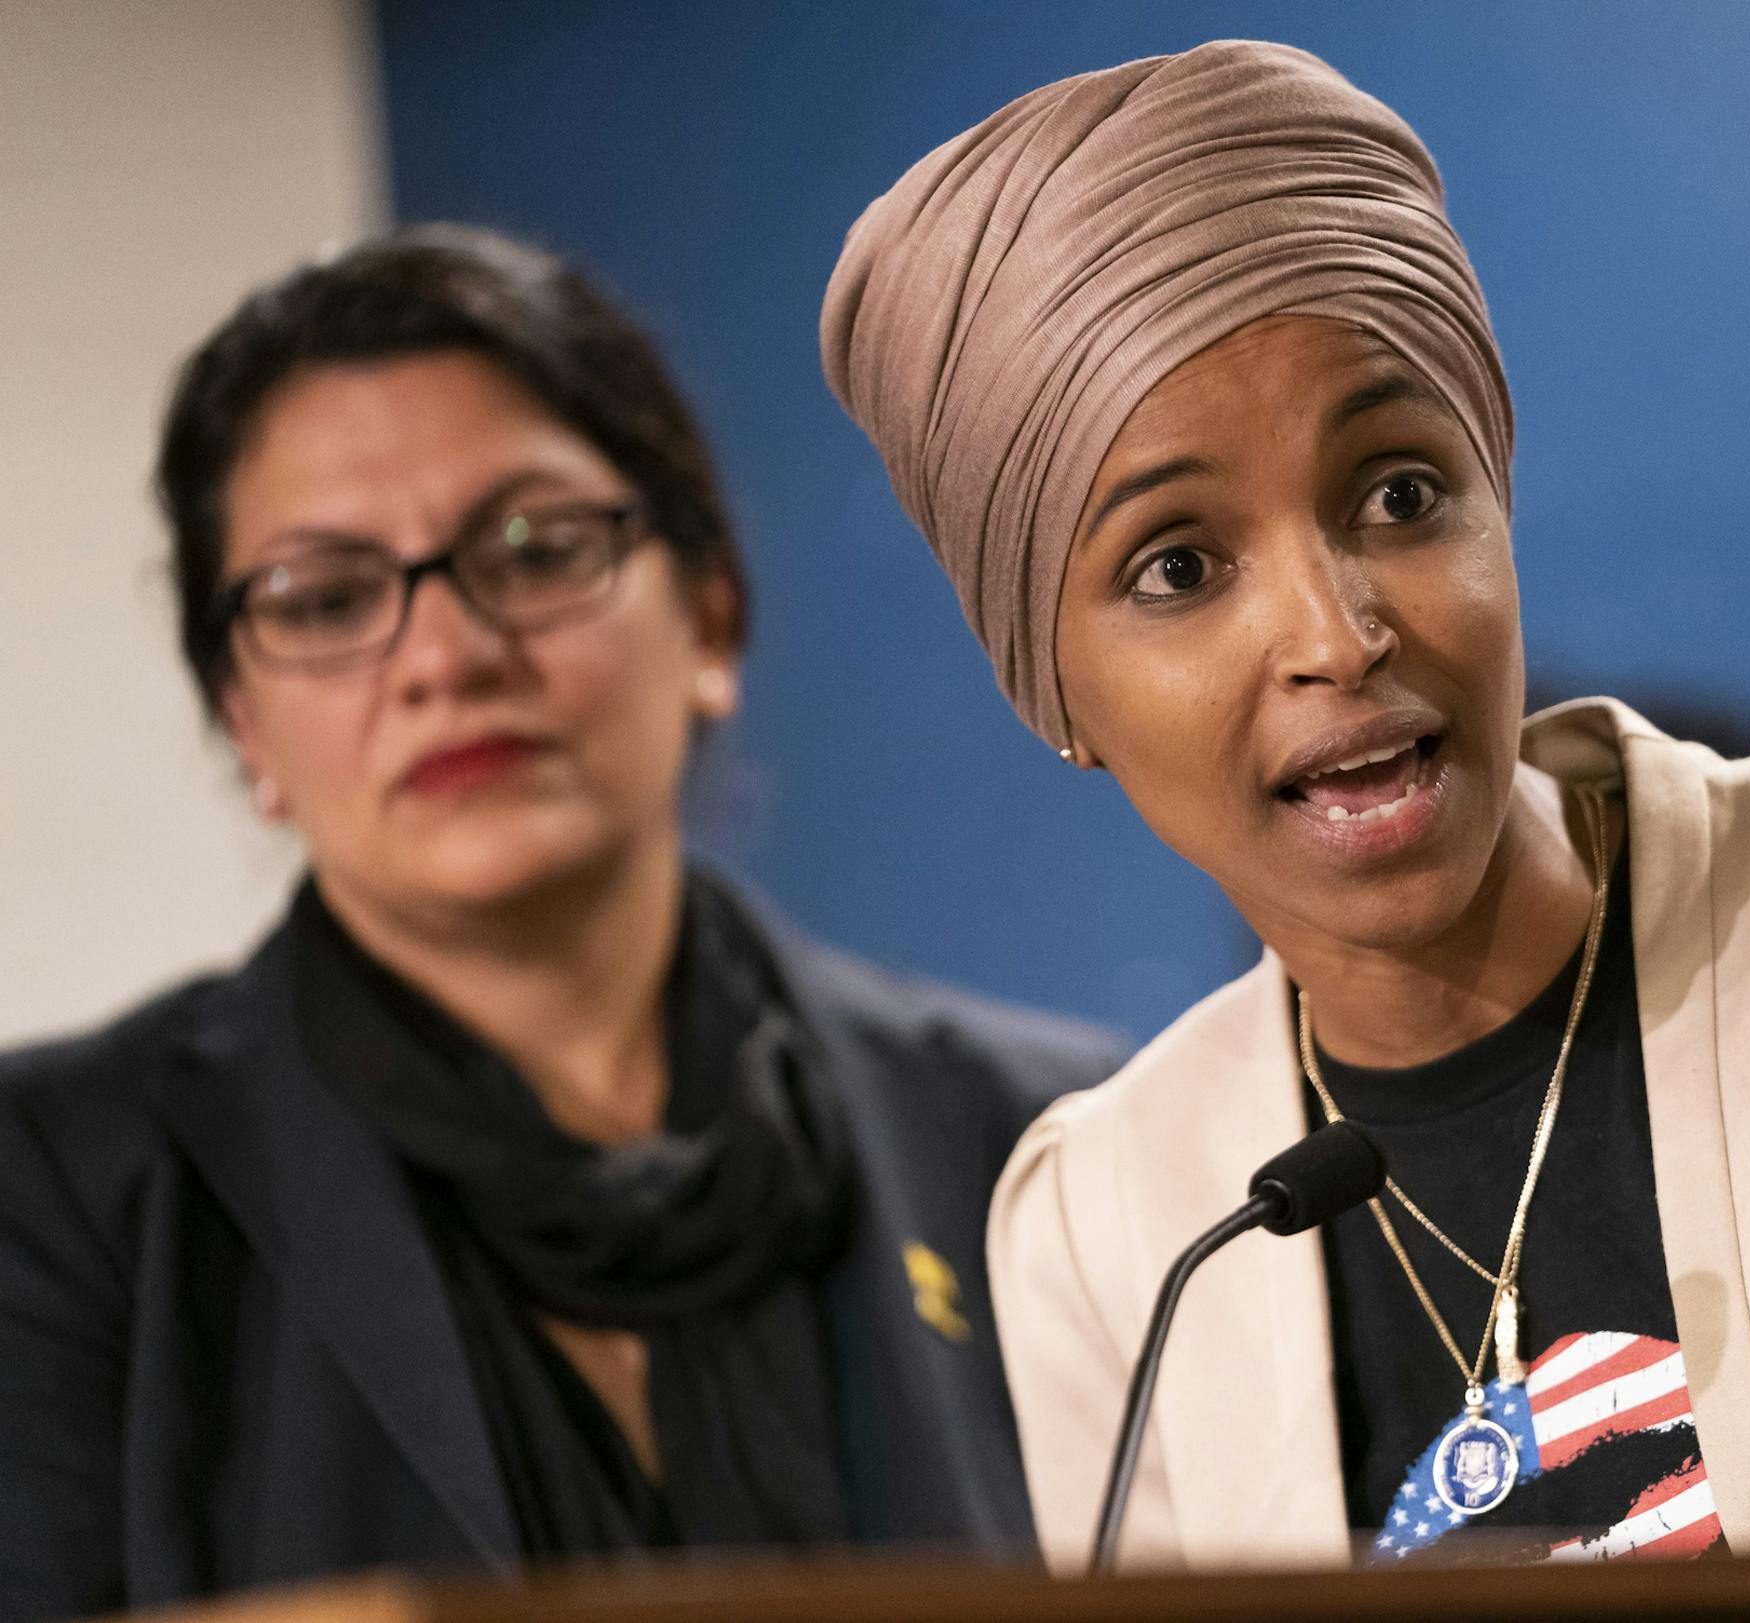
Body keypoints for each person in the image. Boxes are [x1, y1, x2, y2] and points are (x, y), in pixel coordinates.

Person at [821, 41, 1750, 1571]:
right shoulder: (1111, 1229)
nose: (1336, 636)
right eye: (1179, 567)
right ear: (1049, 692)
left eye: (1397, 492)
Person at [0, 224, 1126, 1620]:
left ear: (708, 617)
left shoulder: (1066, 1140)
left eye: (534, 550)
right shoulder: (51, 1198)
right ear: (247, 728)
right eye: (327, 598)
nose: (448, 654)